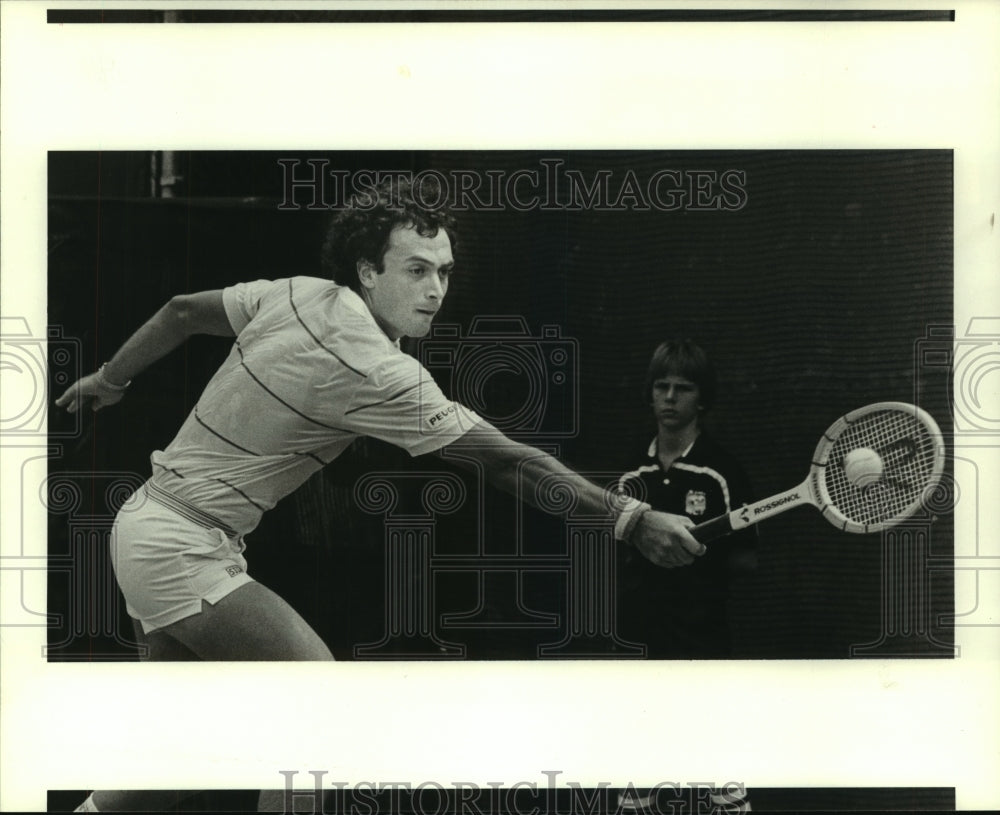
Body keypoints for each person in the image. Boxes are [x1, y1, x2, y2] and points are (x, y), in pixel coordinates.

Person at [57, 178, 704, 813]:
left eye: (444, 272)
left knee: (166, 768)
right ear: (367, 271)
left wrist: (110, 379)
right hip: (179, 546)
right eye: (416, 269)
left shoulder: (297, 293)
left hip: (146, 523)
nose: (434, 290)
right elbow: (509, 465)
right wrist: (629, 516)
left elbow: (179, 312)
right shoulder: (379, 370)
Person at [616, 339, 758, 660]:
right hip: (634, 638)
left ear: (702, 399)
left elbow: (747, 558)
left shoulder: (722, 471)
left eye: (683, 388)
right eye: (661, 386)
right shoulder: (630, 472)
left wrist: (693, 558)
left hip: (701, 641)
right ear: (650, 394)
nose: (669, 397)